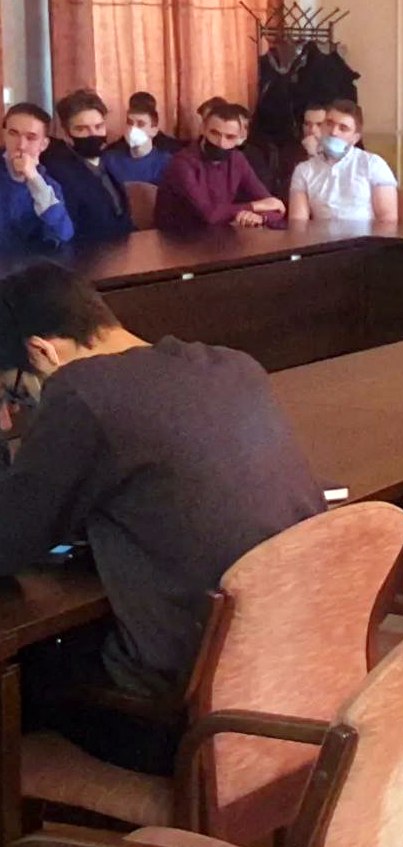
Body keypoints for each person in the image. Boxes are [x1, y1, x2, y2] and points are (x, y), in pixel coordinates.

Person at [0, 261, 325, 773]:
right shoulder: (232, 365)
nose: (16, 415)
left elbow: (7, 542)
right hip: (292, 680)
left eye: (17, 394)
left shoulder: (83, 392)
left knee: (19, 670)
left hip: (183, 717)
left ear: (42, 352)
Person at [155, 102, 287, 232]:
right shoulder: (182, 163)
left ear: (240, 138)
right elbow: (209, 214)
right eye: (215, 133)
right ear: (203, 129)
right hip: (177, 238)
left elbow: (274, 207)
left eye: (230, 137)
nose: (221, 143)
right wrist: (255, 206)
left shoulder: (237, 159)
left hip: (219, 237)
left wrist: (260, 217)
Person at [42, 90, 132, 243]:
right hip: (87, 252)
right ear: (66, 133)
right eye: (81, 129)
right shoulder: (58, 172)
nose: (93, 134)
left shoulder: (110, 160)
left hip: (122, 248)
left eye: (98, 126)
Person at [289, 99, 398, 223]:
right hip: (320, 235)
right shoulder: (304, 170)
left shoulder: (373, 164)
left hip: (365, 234)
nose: (333, 132)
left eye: (343, 128)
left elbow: (387, 220)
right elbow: (298, 222)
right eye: (329, 123)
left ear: (355, 138)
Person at [0, 103, 74, 253]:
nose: (21, 145)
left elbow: (63, 235)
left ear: (44, 144)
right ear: (4, 135)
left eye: (31, 138)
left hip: (31, 265)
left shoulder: (49, 185)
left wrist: (34, 179)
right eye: (13, 134)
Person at [102, 94, 175, 187]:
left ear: (154, 130)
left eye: (140, 124)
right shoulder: (109, 160)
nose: (133, 129)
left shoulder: (168, 163)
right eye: (130, 123)